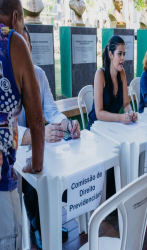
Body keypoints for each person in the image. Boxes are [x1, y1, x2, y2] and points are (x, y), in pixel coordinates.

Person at [20, 26, 81, 250]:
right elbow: (8, 129)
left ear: (30, 48)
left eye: (24, 46)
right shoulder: (4, 77)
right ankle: (38, 228)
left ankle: (49, 222)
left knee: (55, 167)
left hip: (39, 144)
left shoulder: (39, 74)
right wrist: (35, 135)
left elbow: (51, 110)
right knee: (31, 181)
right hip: (15, 150)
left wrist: (67, 124)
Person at [0, 0, 45, 249]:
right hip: (2, 183)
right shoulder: (12, 41)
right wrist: (36, 164)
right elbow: (37, 120)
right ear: (16, 16)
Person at [87, 35, 137, 130]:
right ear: (111, 55)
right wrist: (121, 117)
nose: (123, 58)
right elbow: (99, 113)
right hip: (96, 128)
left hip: (113, 127)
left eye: (124, 54)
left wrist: (130, 113)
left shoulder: (122, 73)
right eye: (119, 54)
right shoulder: (100, 75)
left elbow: (126, 104)